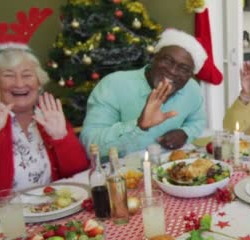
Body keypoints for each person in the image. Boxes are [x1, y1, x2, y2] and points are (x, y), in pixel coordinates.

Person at [0, 5, 88, 216]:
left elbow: (78, 175)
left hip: (50, 213)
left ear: (38, 82)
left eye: (27, 75)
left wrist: (62, 137)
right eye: (8, 75)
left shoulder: (47, 114)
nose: (19, 83)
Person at [80, 29, 208, 157]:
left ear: (190, 76)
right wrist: (138, 126)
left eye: (184, 69)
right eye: (168, 60)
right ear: (153, 57)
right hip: (119, 172)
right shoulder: (113, 84)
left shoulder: (192, 89)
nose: (173, 71)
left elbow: (198, 122)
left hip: (169, 170)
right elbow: (90, 144)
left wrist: (185, 133)